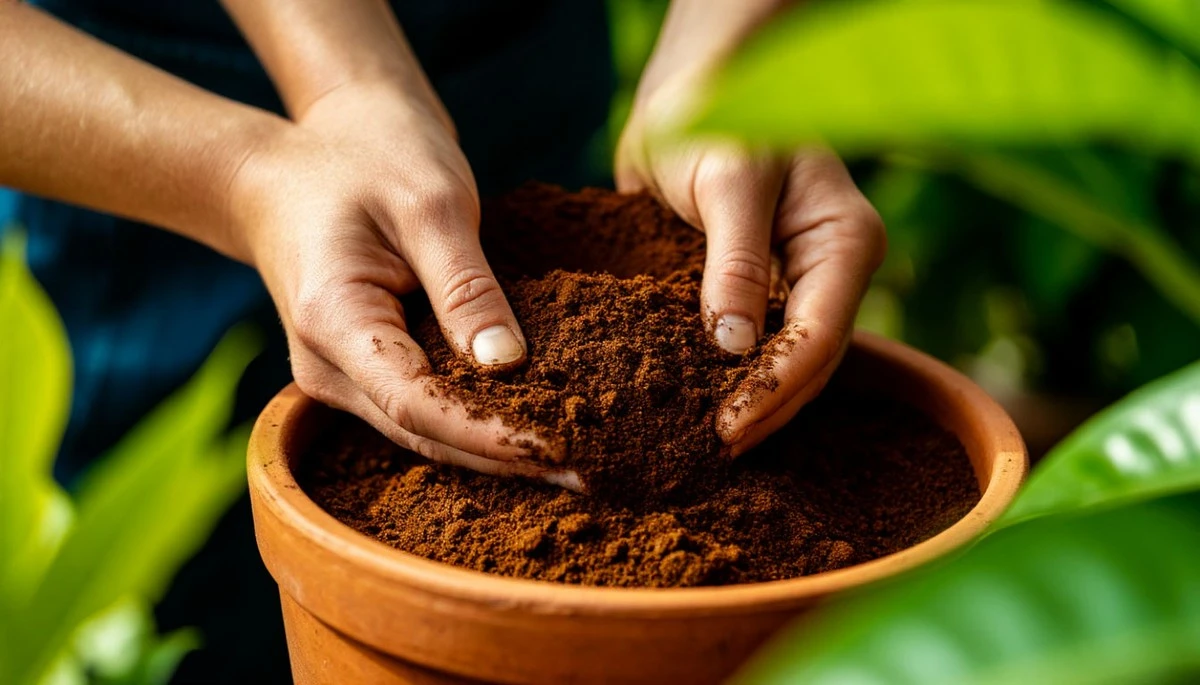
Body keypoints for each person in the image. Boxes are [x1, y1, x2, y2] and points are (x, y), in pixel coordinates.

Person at [0, 0, 885, 680]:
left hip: (513, 47)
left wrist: (725, 56)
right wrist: (252, 168)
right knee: (201, 599)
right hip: (155, 106)